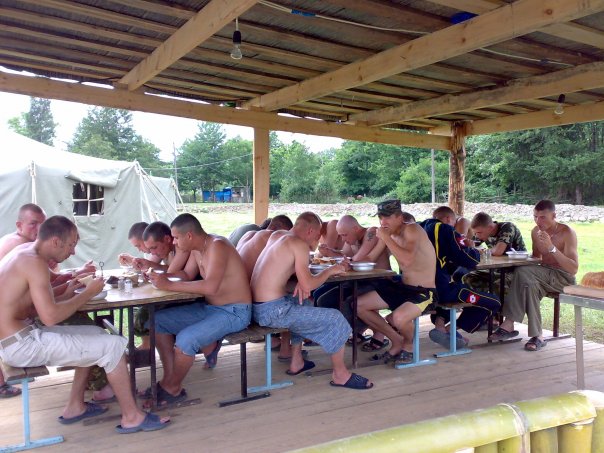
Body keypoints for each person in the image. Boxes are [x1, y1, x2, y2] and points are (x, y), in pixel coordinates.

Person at [0, 216, 169, 432]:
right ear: (55, 241)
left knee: (96, 333)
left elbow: (30, 307)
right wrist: (87, 293)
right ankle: (132, 417)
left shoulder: (24, 253)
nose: (72, 252)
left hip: (17, 338)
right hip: (21, 345)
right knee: (114, 346)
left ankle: (75, 406)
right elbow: (50, 316)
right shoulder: (34, 263)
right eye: (71, 245)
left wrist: (68, 291)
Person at [251, 212, 373, 390]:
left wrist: (302, 279)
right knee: (336, 318)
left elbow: (283, 272)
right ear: (310, 231)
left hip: (257, 308)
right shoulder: (299, 244)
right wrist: (331, 270)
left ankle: (297, 361)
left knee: (303, 301)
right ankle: (341, 375)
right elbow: (308, 284)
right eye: (317, 236)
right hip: (273, 311)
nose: (316, 242)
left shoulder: (277, 236)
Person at [147, 213, 251, 405]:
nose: (174, 243)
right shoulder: (197, 249)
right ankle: (168, 380)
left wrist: (169, 285)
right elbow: (186, 274)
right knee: (157, 321)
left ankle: (172, 388)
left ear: (189, 235)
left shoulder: (217, 246)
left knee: (186, 340)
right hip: (212, 308)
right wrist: (158, 276)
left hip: (235, 312)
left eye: (176, 238)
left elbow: (211, 287)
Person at [355, 200, 437, 367]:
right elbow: (371, 258)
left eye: (387, 218)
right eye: (380, 218)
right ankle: (396, 340)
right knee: (358, 305)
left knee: (397, 318)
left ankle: (408, 346)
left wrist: (386, 238)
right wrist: (347, 264)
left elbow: (407, 260)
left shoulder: (412, 229)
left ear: (399, 217)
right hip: (403, 287)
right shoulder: (389, 234)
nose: (383, 222)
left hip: (424, 291)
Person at [489, 200, 578, 351]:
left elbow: (573, 269)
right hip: (542, 275)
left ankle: (509, 323)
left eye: (542, 217)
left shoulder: (567, 232)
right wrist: (518, 258)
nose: (538, 221)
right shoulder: (535, 231)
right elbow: (537, 258)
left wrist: (551, 247)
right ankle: (538, 336)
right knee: (528, 283)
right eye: (535, 216)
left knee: (523, 272)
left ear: (554, 216)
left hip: (563, 278)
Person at [419, 215, 501, 349]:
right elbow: (469, 260)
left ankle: (440, 325)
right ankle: (451, 329)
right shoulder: (444, 229)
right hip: (441, 291)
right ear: (448, 219)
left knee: (457, 287)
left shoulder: (419, 228)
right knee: (493, 302)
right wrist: (472, 248)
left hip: (422, 289)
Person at [314, 215, 391, 351]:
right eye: (341, 236)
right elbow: (344, 257)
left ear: (355, 228)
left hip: (380, 281)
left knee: (344, 302)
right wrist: (329, 252)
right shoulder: (352, 240)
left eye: (344, 235)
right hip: (360, 281)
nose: (343, 239)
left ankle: (376, 331)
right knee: (322, 297)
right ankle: (357, 329)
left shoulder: (371, 232)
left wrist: (340, 258)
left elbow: (357, 259)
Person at [0, 203, 44, 398]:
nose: (39, 229)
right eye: (33, 224)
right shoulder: (20, 245)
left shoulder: (15, 240)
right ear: (19, 225)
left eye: (42, 224)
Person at [463, 212, 527, 296]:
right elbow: (470, 245)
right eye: (475, 233)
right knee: (469, 278)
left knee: (498, 284)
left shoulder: (507, 227)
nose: (477, 236)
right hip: (498, 268)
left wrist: (479, 250)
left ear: (490, 227)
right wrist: (466, 244)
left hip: (516, 269)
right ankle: (482, 302)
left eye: (479, 233)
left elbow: (498, 251)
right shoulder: (484, 232)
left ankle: (497, 304)